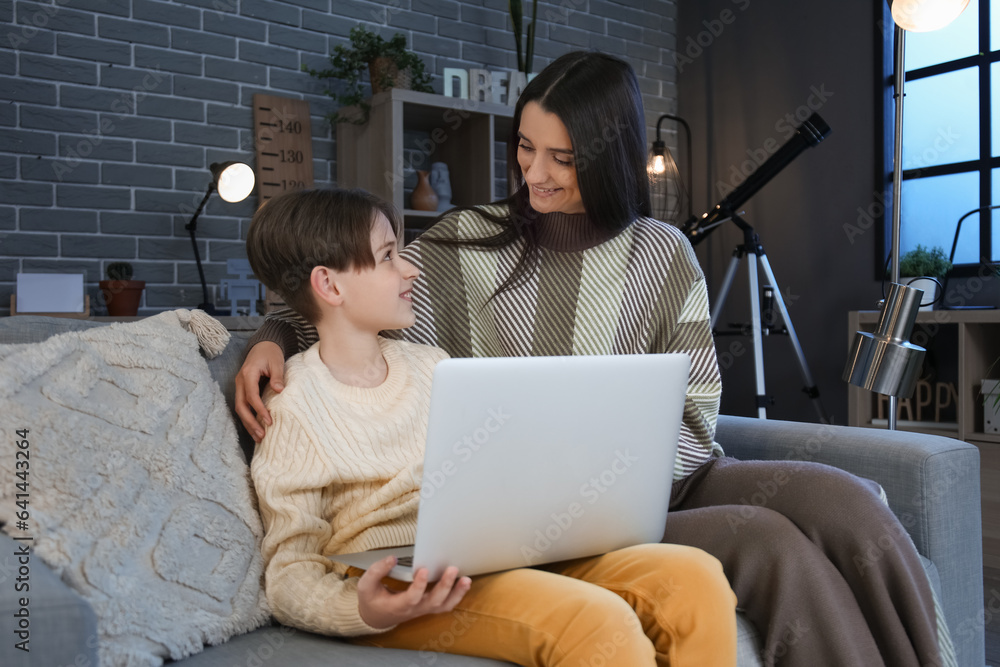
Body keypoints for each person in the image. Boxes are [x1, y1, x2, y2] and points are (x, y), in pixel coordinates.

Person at [237, 51, 949, 667]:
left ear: (608, 156)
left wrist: (626, 468)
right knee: (769, 541)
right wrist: (271, 336)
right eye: (524, 147)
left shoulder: (661, 252)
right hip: (549, 511)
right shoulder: (461, 248)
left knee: (850, 503)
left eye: (563, 158)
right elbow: (341, 295)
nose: (535, 175)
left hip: (673, 480)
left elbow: (697, 407)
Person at [244, 186, 738, 665]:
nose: (410, 269)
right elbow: (290, 572)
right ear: (330, 285)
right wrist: (361, 610)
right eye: (389, 256)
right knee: (594, 621)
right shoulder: (295, 407)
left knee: (696, 576)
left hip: (488, 549)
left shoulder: (433, 366)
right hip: (401, 586)